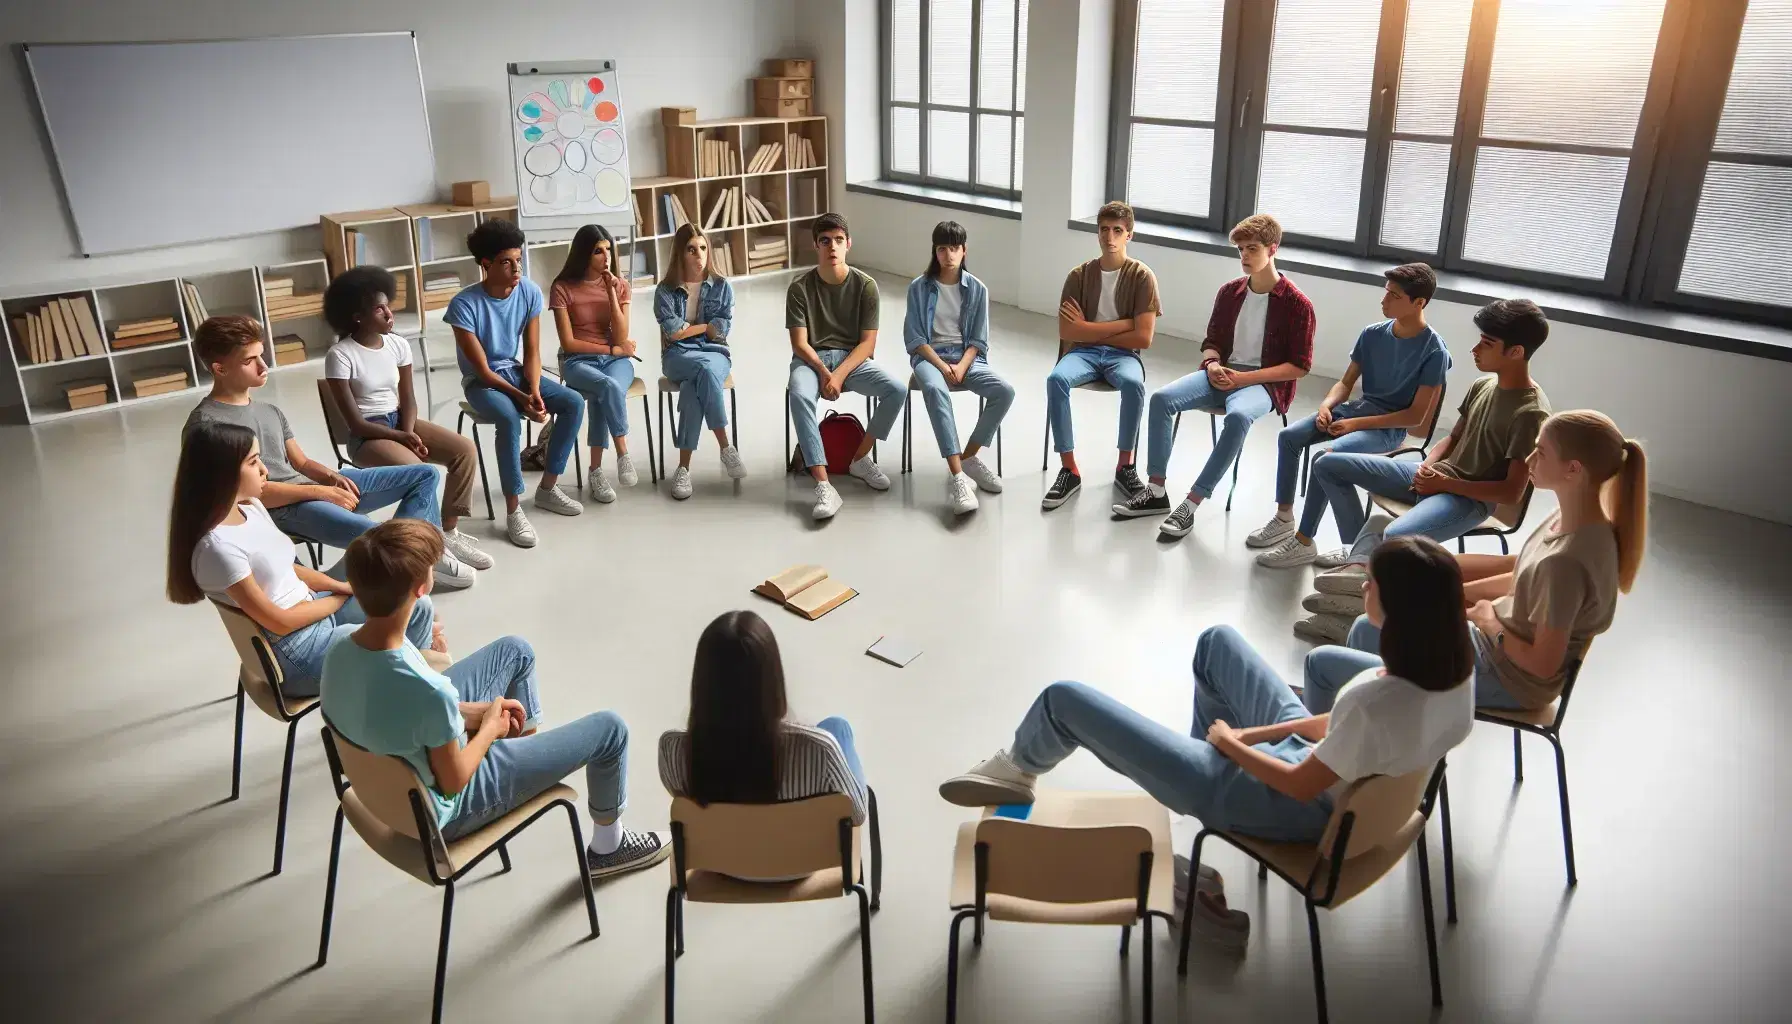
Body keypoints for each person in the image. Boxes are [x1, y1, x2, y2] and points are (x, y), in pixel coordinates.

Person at [939, 536, 1474, 945]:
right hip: (1327, 772)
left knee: (1064, 699)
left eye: (1372, 583)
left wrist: (1231, 745)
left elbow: (1297, 783)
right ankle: (1196, 774)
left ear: (1401, 609)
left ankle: (1022, 767)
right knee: (1217, 644)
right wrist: (1245, 735)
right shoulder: (1451, 670)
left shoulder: (1375, 704)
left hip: (1295, 802)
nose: (1363, 588)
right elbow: (1332, 728)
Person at [321, 519, 669, 877]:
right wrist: (487, 730)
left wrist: (474, 716)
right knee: (611, 730)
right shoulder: (431, 695)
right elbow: (453, 781)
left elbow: (402, 704)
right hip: (447, 812)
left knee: (515, 651)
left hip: (381, 785)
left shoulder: (340, 646)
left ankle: (522, 760)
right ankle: (609, 847)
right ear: (421, 587)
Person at [1303, 412, 1646, 713]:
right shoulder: (1570, 519)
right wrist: (1450, 597)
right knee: (1366, 627)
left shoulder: (1567, 563)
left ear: (1574, 469)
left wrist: (1487, 620)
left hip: (1507, 677)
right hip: (1492, 645)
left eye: (1540, 453)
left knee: (1325, 662)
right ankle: (1364, 728)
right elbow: (1522, 577)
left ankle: (1341, 744)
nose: (1528, 461)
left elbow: (1542, 665)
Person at [1295, 298, 1551, 644]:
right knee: (1328, 463)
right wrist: (1427, 468)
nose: (1475, 349)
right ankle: (1359, 567)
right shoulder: (1483, 385)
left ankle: (1359, 596)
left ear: (1516, 352)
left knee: (1394, 536)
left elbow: (1510, 493)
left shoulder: (1530, 412)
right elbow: (1453, 438)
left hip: (1468, 500)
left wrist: (1444, 482)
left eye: (1487, 343)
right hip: (1435, 476)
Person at [184, 315, 472, 590]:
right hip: (279, 508)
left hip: (307, 489)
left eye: (261, 355)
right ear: (219, 369)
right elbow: (245, 496)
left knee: (424, 475)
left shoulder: (268, 410)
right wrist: (322, 493)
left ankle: (423, 556)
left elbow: (301, 462)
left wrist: (332, 478)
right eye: (250, 361)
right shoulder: (207, 426)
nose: (263, 366)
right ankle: (370, 576)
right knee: (372, 537)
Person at [166, 422, 438, 694]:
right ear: (221, 474)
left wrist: (344, 588)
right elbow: (279, 622)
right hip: (298, 654)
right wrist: (341, 598)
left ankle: (419, 683)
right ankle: (420, 696)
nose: (264, 470)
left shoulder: (250, 507)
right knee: (393, 632)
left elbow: (290, 570)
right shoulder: (218, 549)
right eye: (253, 462)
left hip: (311, 611)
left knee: (417, 605)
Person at [1115, 214, 1312, 536]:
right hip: (1222, 373)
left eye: (1252, 249)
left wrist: (1244, 379)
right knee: (1162, 399)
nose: (1245, 257)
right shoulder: (1230, 292)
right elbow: (1212, 343)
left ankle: (1191, 504)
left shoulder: (1297, 304)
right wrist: (1213, 364)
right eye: (1240, 250)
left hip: (1264, 384)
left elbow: (1300, 366)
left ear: (1272, 249)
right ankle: (1156, 490)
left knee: (1236, 418)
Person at [1249, 263, 1451, 567]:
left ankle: (1307, 541)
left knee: (1324, 459)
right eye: (1386, 294)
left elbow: (1414, 417)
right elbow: (1345, 383)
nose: (1384, 301)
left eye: (1394, 296)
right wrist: (1326, 406)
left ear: (1419, 303)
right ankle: (1284, 517)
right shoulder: (1372, 334)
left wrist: (1355, 424)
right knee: (1289, 437)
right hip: (1353, 413)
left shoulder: (1434, 351)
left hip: (1386, 428)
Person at [658, 610, 870, 861]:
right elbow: (856, 814)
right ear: (773, 679)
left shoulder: (673, 749)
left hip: (722, 863)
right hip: (802, 863)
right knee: (837, 727)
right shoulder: (820, 749)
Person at [321, 266, 492, 574]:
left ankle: (446, 533)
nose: (390, 314)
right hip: (368, 436)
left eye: (388, 305)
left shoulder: (398, 344)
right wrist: (404, 438)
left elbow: (408, 398)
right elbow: (355, 424)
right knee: (422, 472)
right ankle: (426, 549)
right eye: (379, 309)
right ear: (357, 317)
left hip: (400, 421)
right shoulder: (341, 354)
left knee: (464, 450)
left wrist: (409, 430)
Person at [448, 217, 587, 547]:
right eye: (506, 262)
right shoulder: (464, 305)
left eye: (518, 260)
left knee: (572, 402)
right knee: (509, 418)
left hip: (515, 372)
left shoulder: (528, 292)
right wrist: (521, 399)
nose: (515, 268)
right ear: (486, 264)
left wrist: (535, 389)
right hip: (482, 383)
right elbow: (482, 371)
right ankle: (513, 511)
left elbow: (533, 351)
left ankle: (548, 490)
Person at [786, 212, 905, 520]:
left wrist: (838, 375)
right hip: (810, 360)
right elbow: (800, 343)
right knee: (798, 395)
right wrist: (825, 374)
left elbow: (868, 345)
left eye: (839, 240)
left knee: (896, 390)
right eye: (825, 241)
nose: (832, 247)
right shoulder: (799, 288)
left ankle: (861, 458)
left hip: (852, 360)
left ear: (848, 244)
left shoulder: (866, 286)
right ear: (816, 245)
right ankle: (823, 485)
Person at [1043, 200, 1160, 511]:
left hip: (1124, 356)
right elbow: (1068, 333)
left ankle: (1125, 467)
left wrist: (1088, 326)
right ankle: (1069, 469)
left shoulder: (1142, 277)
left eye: (1117, 231)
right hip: (1082, 353)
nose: (1110, 237)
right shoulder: (1078, 276)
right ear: (1097, 233)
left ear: (1129, 236)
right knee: (1056, 379)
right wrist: (1122, 325)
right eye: (1104, 230)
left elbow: (1143, 338)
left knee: (1135, 386)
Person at [902, 220, 1014, 515]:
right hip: (929, 358)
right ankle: (957, 477)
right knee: (936, 391)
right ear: (935, 251)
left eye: (954, 248)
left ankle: (970, 456)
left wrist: (962, 365)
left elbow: (979, 339)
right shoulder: (919, 288)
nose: (948, 254)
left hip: (968, 357)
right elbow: (915, 338)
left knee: (1004, 391)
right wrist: (942, 366)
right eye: (942, 248)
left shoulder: (977, 289)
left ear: (964, 251)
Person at [655, 224, 747, 500]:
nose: (699, 255)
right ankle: (726, 447)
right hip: (677, 357)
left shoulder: (722, 286)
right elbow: (672, 333)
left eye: (703, 248)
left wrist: (689, 329)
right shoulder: (665, 290)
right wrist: (701, 328)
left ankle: (683, 469)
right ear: (680, 254)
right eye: (691, 249)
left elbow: (719, 330)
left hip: (715, 353)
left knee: (696, 383)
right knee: (702, 371)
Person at [550, 223, 639, 505]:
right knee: (605, 386)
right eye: (598, 251)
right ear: (584, 255)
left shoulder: (621, 286)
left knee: (606, 390)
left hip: (616, 360)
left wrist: (612, 292)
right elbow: (569, 343)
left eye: (608, 250)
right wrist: (612, 349)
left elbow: (623, 334)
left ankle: (597, 470)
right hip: (579, 362)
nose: (606, 257)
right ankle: (621, 454)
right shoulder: (562, 287)